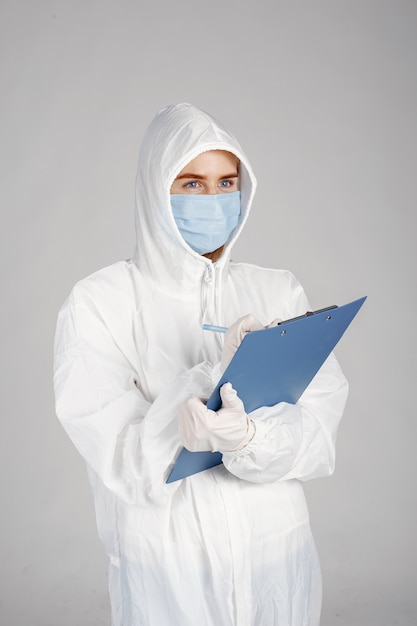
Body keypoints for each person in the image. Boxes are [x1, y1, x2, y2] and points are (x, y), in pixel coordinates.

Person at [53, 103, 348, 626]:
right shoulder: (101, 302)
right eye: (190, 184)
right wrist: (207, 386)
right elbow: (122, 460)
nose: (213, 200)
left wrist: (249, 438)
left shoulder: (275, 290)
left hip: (274, 558)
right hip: (169, 568)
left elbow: (318, 440)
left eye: (225, 183)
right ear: (154, 189)